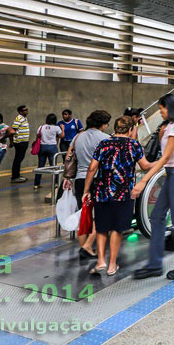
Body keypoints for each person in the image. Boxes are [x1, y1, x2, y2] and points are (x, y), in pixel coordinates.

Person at [133, 94, 174, 281]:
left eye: (161, 108)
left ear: (169, 108)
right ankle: (154, 264)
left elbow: (165, 158)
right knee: (157, 216)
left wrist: (143, 180)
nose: (160, 112)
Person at [83, 115, 147, 277]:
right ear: (131, 129)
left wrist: (86, 190)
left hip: (102, 191)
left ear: (115, 128)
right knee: (117, 229)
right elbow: (145, 165)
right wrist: (163, 162)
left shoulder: (104, 143)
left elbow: (92, 168)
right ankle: (112, 265)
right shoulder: (134, 145)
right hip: (123, 193)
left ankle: (100, 262)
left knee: (102, 226)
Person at [63, 109, 111, 259]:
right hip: (98, 179)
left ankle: (83, 247)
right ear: (102, 124)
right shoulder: (105, 138)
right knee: (103, 215)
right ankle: (88, 245)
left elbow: (68, 157)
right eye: (106, 123)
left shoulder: (78, 137)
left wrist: (67, 177)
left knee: (84, 215)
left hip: (79, 179)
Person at [34, 114, 63, 190]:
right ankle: (56, 183)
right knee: (54, 166)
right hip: (52, 147)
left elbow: (37, 136)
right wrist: (62, 128)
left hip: (42, 147)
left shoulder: (41, 127)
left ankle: (36, 184)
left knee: (40, 166)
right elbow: (62, 136)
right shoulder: (56, 128)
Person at [9, 105, 30, 183]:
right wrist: (11, 142)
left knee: (19, 159)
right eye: (25, 110)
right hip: (20, 142)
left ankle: (17, 175)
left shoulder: (24, 118)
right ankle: (15, 177)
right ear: (20, 112)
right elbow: (12, 130)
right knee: (18, 159)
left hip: (23, 141)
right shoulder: (19, 118)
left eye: (27, 109)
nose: (26, 111)